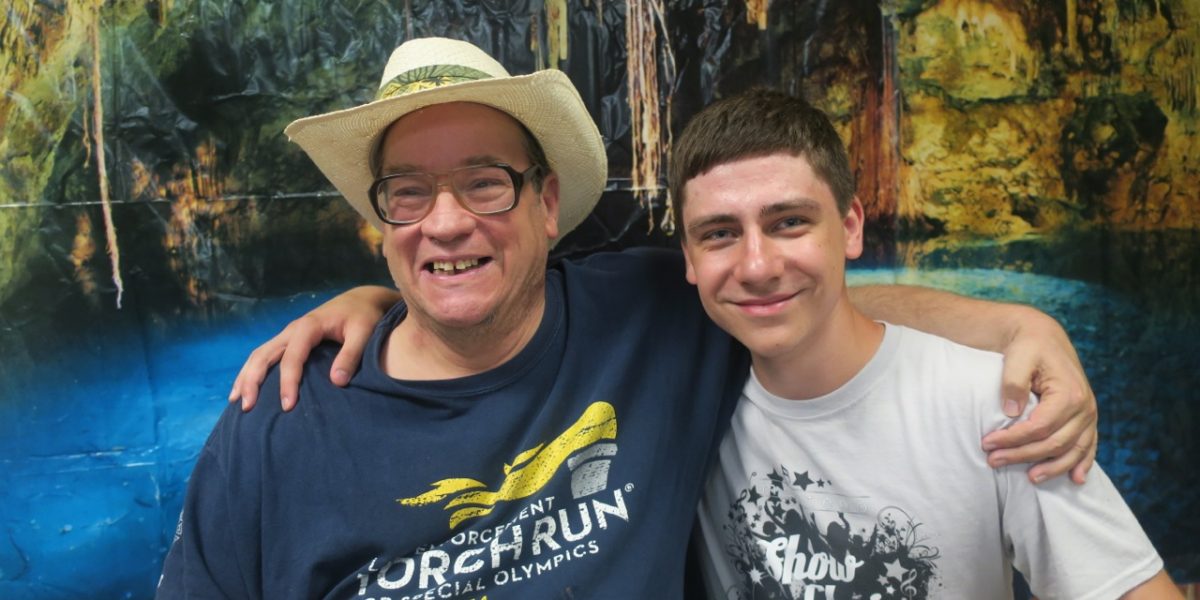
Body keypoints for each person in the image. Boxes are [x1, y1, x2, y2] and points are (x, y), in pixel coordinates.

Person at [159, 38, 1096, 599]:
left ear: (546, 203)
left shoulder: (645, 315)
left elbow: (795, 298)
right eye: (409, 193)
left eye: (484, 183)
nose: (445, 222)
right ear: (382, 223)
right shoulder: (277, 424)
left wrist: (1015, 327)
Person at [671, 88, 1178, 599]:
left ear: (850, 228)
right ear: (689, 258)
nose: (757, 267)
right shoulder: (684, 399)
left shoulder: (993, 405)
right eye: (719, 233)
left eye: (789, 223)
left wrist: (1024, 325)